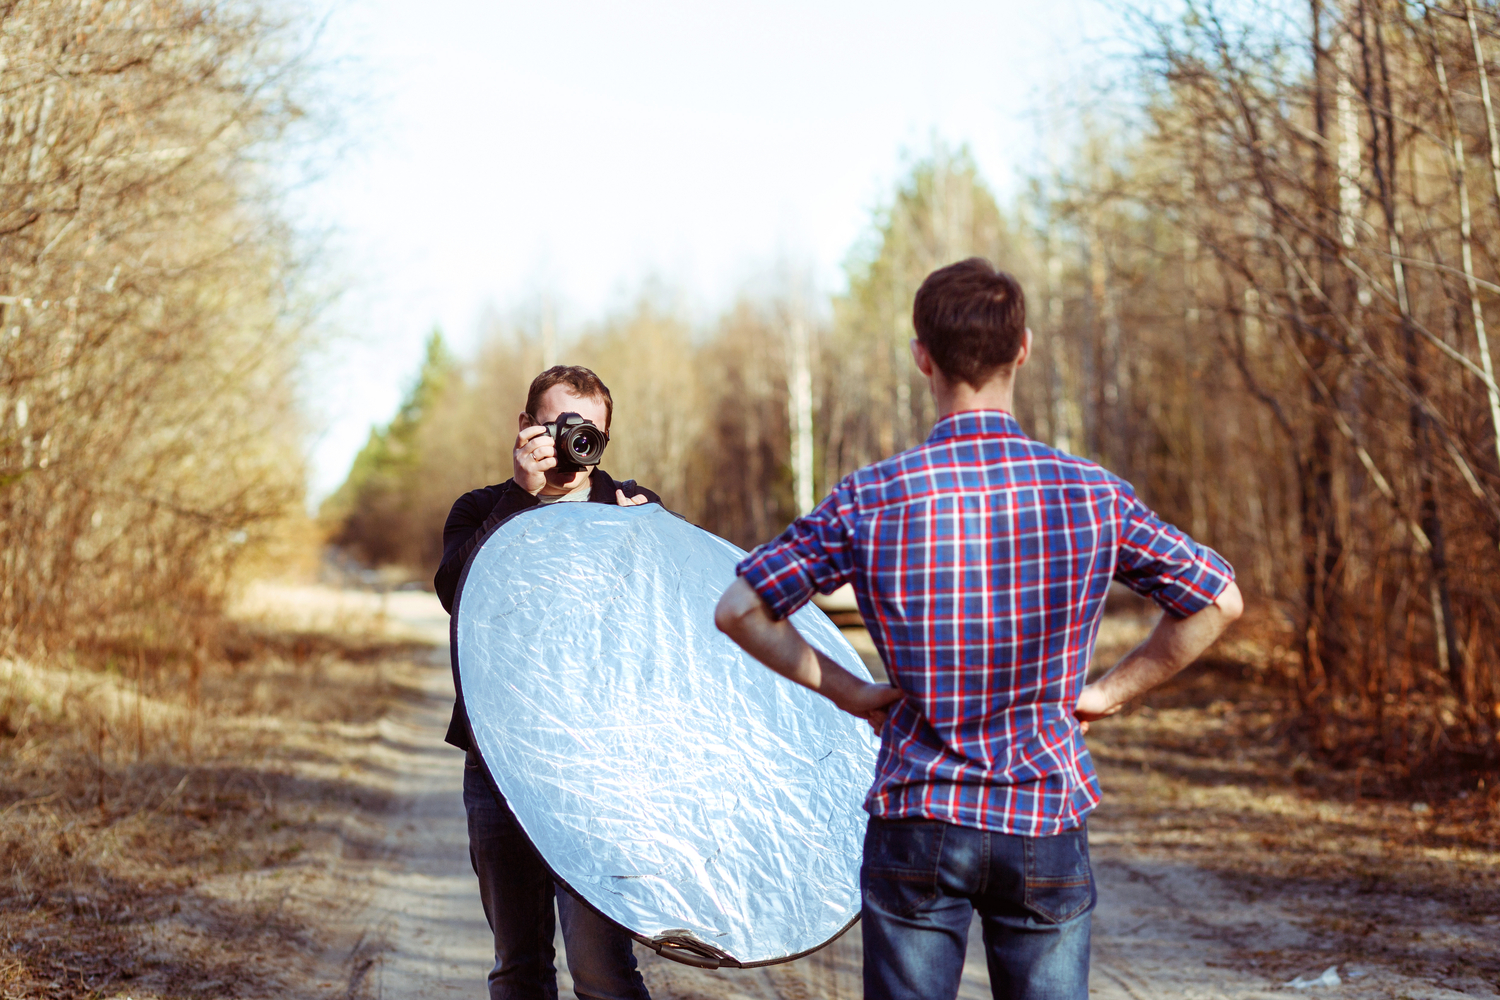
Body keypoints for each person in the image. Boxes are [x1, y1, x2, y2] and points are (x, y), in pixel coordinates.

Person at [714, 258, 1244, 1000]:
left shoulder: (871, 496)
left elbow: (739, 608)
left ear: (921, 356)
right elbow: (1217, 601)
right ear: (1023, 348)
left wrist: (851, 693)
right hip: (1043, 807)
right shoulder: (1090, 493)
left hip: (919, 810)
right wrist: (1109, 694)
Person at [434, 365, 657, 1000]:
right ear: (526, 426)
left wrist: (646, 539)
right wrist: (522, 496)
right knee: (519, 968)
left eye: (589, 432)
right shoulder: (482, 509)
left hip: (599, 768)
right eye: (559, 427)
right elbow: (458, 593)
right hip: (500, 764)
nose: (572, 444)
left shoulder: (632, 510)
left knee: (605, 971)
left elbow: (671, 629)